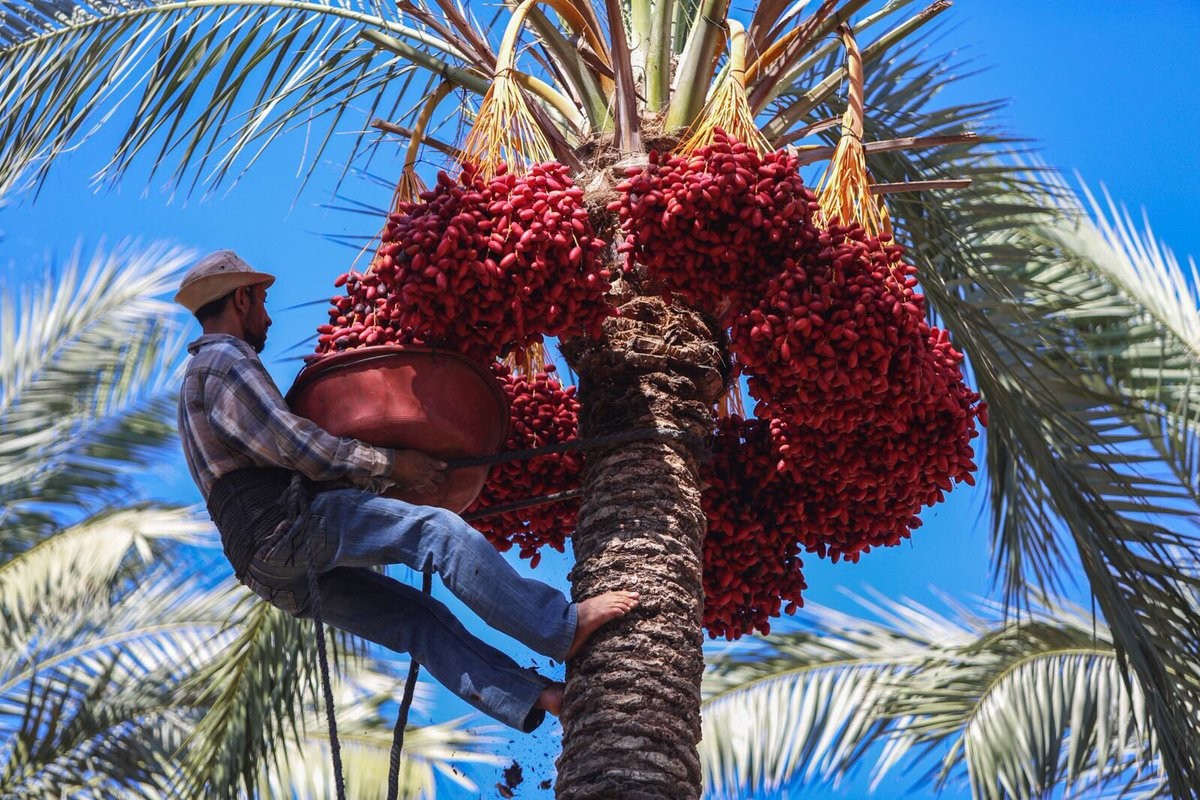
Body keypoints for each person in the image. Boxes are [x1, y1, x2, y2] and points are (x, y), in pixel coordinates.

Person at [174, 250, 638, 732]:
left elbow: (274, 456)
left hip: (260, 565)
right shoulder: (226, 358)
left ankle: (537, 695)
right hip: (285, 527)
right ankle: (560, 627)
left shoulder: (196, 377)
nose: (267, 317)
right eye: (264, 301)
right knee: (435, 532)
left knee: (414, 622)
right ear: (243, 298)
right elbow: (295, 446)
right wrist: (394, 464)